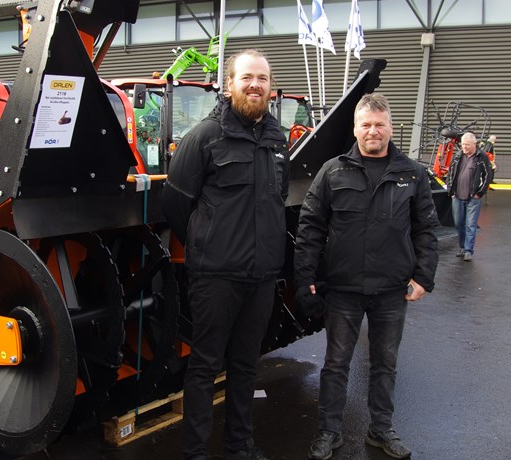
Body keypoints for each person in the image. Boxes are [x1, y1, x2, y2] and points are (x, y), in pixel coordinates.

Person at [293, 93, 439, 460]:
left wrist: (424, 276)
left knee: (385, 363)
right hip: (343, 289)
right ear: (355, 128)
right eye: (366, 125)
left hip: (392, 290)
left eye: (380, 124)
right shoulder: (333, 171)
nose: (373, 131)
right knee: (336, 364)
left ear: (391, 127)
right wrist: (305, 277)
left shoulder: (412, 173)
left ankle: (381, 429)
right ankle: (329, 431)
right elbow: (310, 227)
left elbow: (426, 229)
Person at [162, 49, 289, 460]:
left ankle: (240, 447)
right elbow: (177, 204)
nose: (256, 85)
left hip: (262, 276)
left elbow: (277, 199)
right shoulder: (205, 136)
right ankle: (195, 453)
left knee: (245, 365)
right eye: (247, 77)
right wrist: (209, 243)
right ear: (229, 83)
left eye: (263, 79)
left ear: (270, 88)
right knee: (204, 366)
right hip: (216, 276)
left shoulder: (277, 139)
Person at [446, 132, 494, 262]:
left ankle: (468, 250)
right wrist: (451, 190)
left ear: (474, 144)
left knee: (470, 224)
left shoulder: (482, 157)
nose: (464, 147)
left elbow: (488, 175)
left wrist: (480, 193)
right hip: (457, 196)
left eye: (467, 145)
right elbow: (450, 172)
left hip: (473, 197)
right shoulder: (457, 156)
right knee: (458, 223)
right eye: (463, 144)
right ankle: (462, 247)